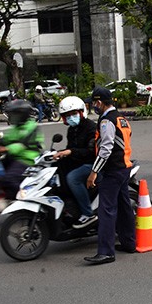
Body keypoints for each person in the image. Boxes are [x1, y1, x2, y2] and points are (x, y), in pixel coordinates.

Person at [85, 86, 135, 264]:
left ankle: (106, 251)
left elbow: (106, 149)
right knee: (124, 207)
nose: (93, 106)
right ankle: (130, 243)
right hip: (124, 167)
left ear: (99, 102)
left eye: (94, 103)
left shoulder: (107, 121)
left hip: (113, 170)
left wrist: (94, 172)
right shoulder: (121, 118)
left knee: (106, 211)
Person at [52, 96, 98, 229]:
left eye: (74, 114)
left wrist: (70, 152)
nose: (71, 117)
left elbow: (90, 152)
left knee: (73, 178)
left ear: (82, 112)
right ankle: (70, 209)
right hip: (78, 162)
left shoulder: (91, 128)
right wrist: (58, 153)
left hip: (92, 164)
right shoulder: (72, 129)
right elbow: (71, 148)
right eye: (67, 116)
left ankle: (87, 213)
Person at [0, 100, 44, 209]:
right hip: (14, 157)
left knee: (10, 178)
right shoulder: (16, 127)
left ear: (22, 114)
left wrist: (5, 148)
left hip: (28, 159)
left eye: (14, 114)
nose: (11, 117)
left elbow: (22, 145)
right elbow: (7, 139)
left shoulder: (32, 127)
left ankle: (24, 197)